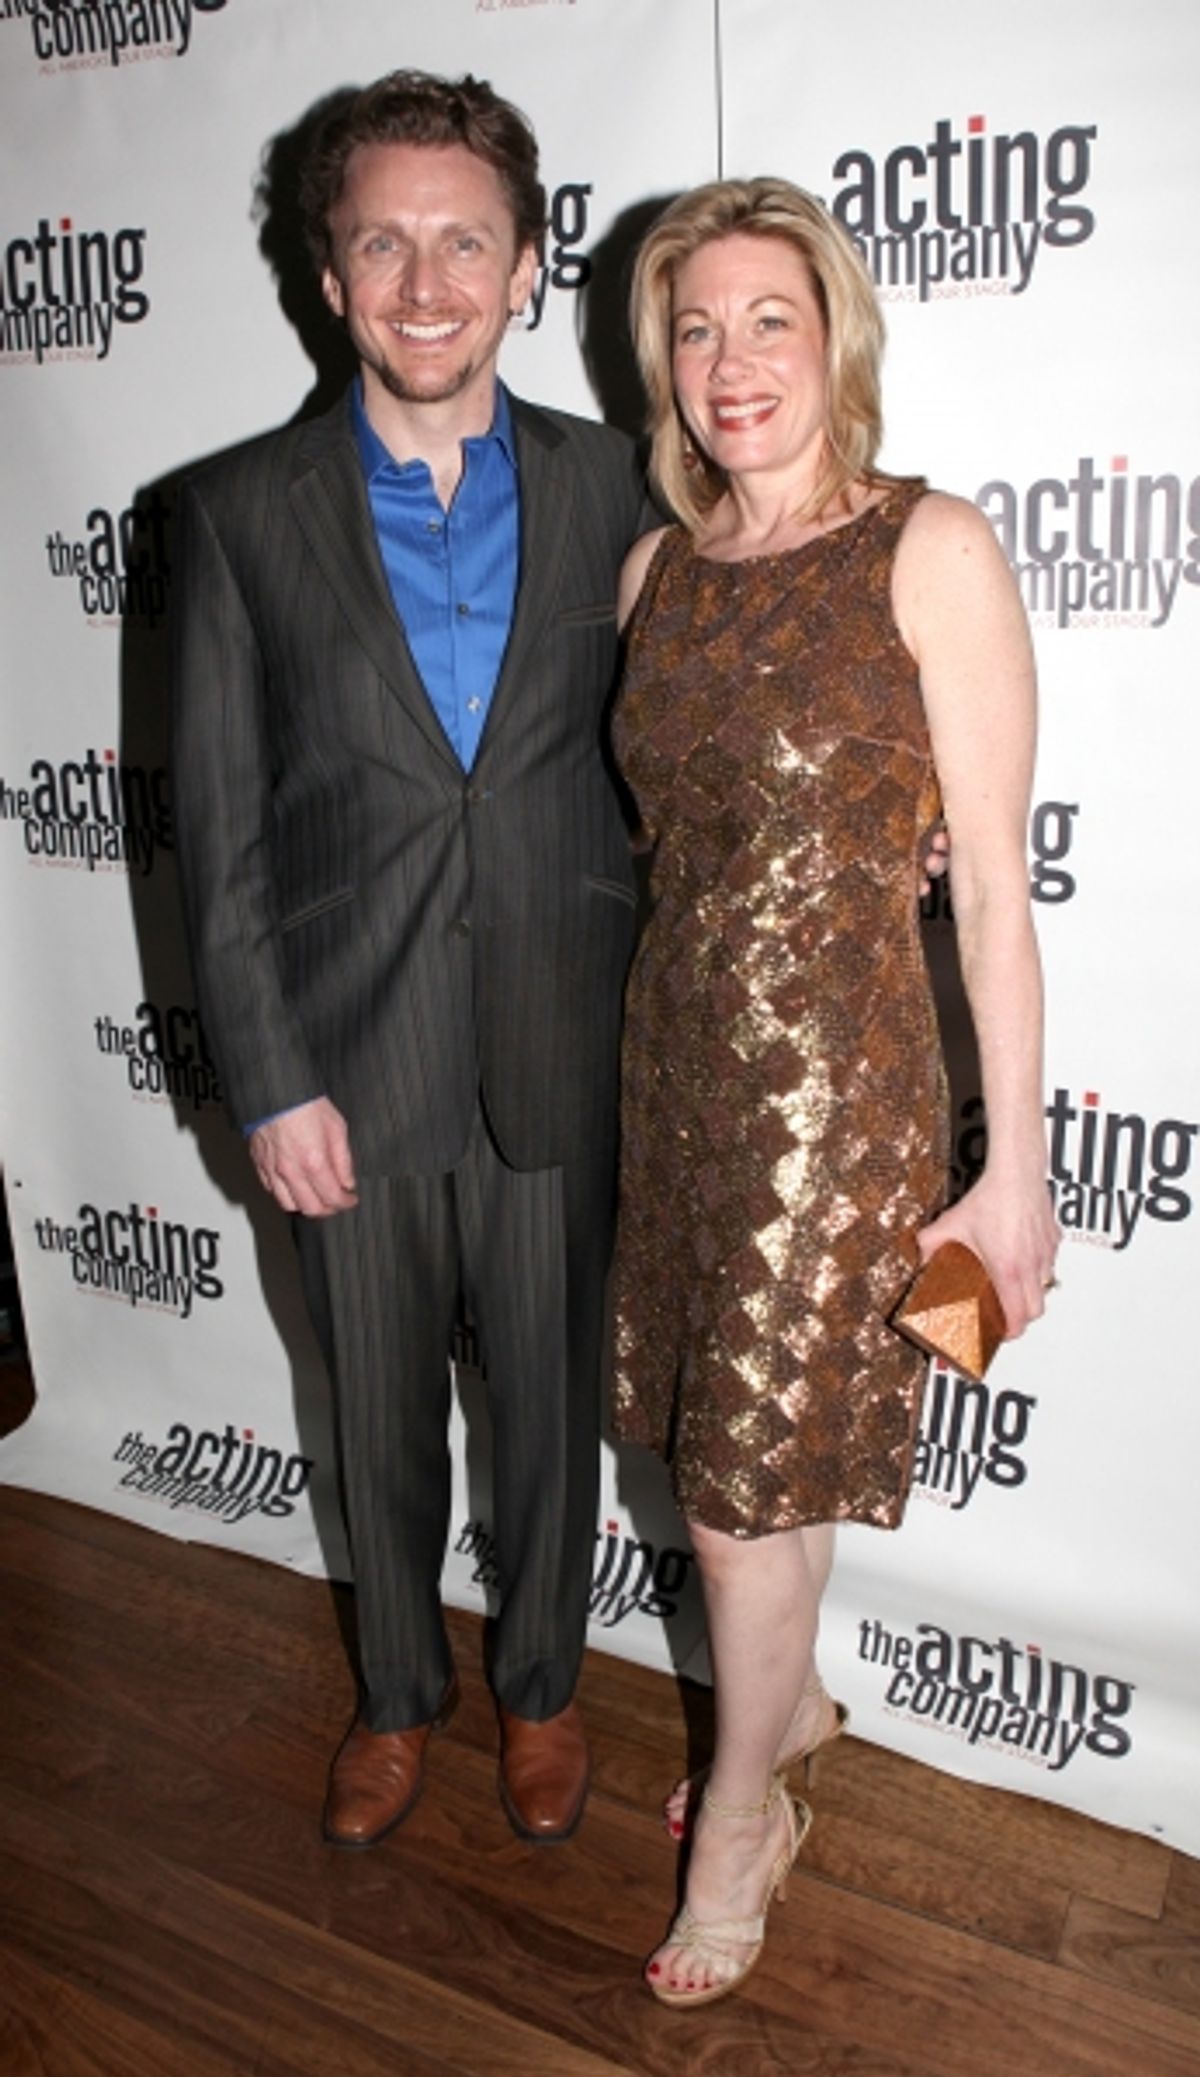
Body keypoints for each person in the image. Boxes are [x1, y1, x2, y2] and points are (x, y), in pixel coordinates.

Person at [172, 70, 649, 1849]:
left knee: (548, 1422)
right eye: (384, 242)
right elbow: (216, 838)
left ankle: (538, 1690)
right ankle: (394, 1694)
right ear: (328, 276)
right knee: (370, 1425)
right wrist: (269, 1074)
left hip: (557, 1052)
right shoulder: (232, 515)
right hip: (344, 1073)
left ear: (529, 265)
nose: (425, 284)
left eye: (465, 242)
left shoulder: (623, 487)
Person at [609, 177, 1060, 2006]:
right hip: (676, 1066)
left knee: (739, 1481)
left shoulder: (928, 548)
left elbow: (1000, 894)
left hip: (845, 1086)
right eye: (696, 328)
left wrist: (1012, 1165)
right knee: (725, 1442)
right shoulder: (652, 571)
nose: (732, 362)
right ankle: (792, 1703)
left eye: (767, 320)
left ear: (836, 334)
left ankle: (744, 1813)